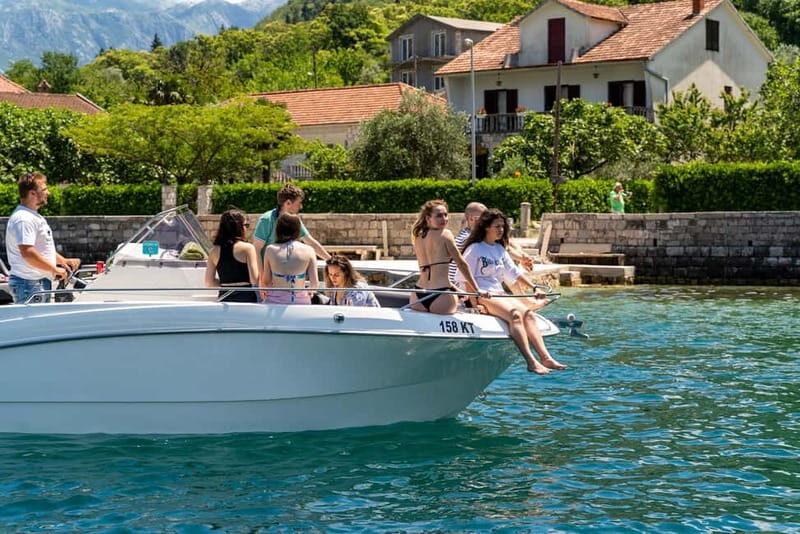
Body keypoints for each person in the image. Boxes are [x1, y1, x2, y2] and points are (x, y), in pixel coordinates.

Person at [457, 209, 566, 375]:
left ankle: (545, 357)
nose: (501, 229)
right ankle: (531, 361)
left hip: (497, 293)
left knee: (528, 314)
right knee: (515, 315)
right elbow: (466, 277)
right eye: (497, 226)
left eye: (502, 226)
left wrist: (534, 287)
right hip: (483, 294)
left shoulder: (500, 249)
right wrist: (474, 303)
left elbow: (515, 273)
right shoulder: (475, 249)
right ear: (486, 227)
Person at [4, 172, 80, 303]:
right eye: (44, 189)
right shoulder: (24, 219)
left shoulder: (32, 216)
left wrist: (63, 261)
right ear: (32, 193)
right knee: (31, 323)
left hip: (35, 283)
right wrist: (54, 269)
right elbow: (28, 253)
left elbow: (40, 248)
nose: (48, 192)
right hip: (29, 284)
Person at [410, 199, 487, 314]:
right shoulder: (445, 234)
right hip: (441, 294)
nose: (444, 219)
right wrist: (477, 289)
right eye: (439, 216)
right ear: (428, 218)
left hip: (418, 294)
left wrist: (456, 289)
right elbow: (461, 263)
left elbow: (433, 271)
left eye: (446, 215)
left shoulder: (418, 237)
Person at [252, 184, 330, 273]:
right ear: (288, 203)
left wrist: (331, 261)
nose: (301, 207)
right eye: (299, 203)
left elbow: (311, 243)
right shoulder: (266, 220)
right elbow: (256, 250)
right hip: (269, 275)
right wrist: (262, 280)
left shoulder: (295, 220)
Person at [260, 213, 318, 305]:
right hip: (301, 301)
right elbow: (314, 284)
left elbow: (266, 281)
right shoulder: (309, 250)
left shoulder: (270, 249)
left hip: (275, 301)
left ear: (278, 229)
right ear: (298, 229)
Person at [204, 209, 259, 302]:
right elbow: (254, 279)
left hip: (224, 297)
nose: (247, 229)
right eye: (246, 225)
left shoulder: (214, 251)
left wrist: (227, 283)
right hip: (245, 297)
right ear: (239, 227)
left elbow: (209, 282)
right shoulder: (248, 248)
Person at [448, 202, 487, 283]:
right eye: (485, 218)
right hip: (459, 286)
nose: (488, 221)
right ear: (472, 219)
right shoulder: (468, 238)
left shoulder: (465, 233)